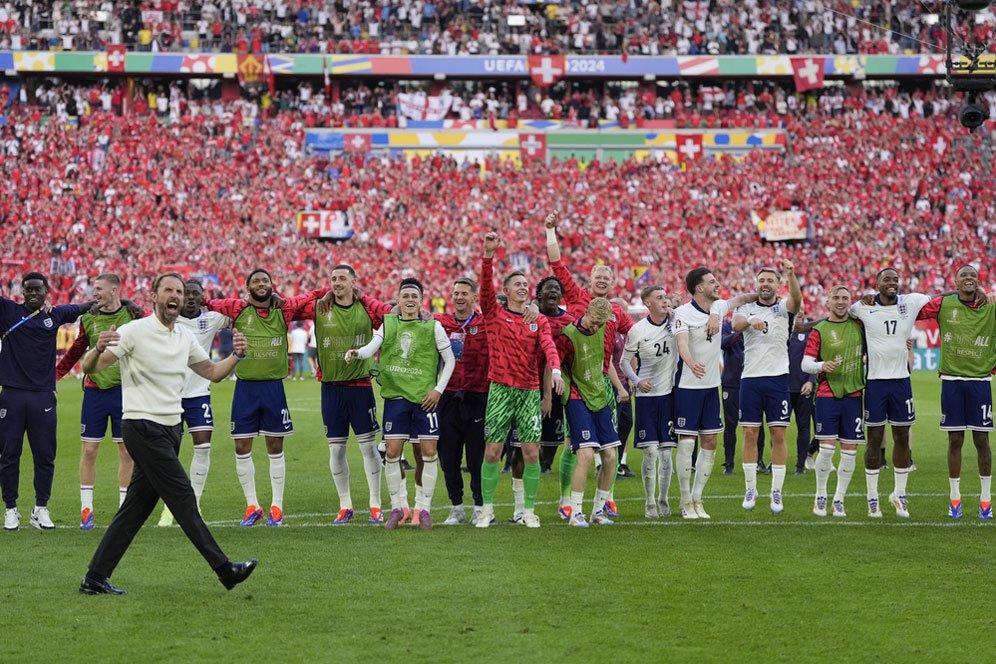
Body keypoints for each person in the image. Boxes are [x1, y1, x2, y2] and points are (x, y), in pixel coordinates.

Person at [77, 272, 256, 595]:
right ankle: (225, 569)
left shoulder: (184, 338)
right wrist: (95, 348)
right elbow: (94, 368)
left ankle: (94, 577)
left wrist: (237, 356)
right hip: (142, 427)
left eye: (180, 291)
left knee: (134, 510)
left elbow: (213, 374)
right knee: (183, 497)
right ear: (154, 297)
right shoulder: (134, 331)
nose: (176, 296)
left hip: (171, 429)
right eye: (169, 291)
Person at [205, 269, 323, 528]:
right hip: (245, 388)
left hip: (273, 388)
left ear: (272, 285)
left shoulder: (285, 310)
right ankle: (252, 505)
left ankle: (277, 507)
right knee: (241, 447)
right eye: (256, 281)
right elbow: (203, 302)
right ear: (248, 288)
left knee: (275, 447)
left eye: (265, 281)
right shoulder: (237, 308)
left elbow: (317, 296)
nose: (261, 284)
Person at [345, 278, 455, 530]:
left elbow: (449, 360)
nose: (409, 300)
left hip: (425, 399)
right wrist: (356, 353)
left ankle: (423, 510)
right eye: (405, 295)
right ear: (399, 298)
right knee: (392, 452)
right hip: (396, 398)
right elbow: (371, 347)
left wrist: (438, 390)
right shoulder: (388, 323)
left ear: (420, 300)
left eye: (414, 296)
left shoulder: (433, 326)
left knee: (428, 453)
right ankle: (398, 507)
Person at [544, 212, 633, 517]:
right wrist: (551, 231)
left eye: (607, 278)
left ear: (612, 283)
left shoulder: (617, 312)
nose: (602, 281)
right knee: (576, 446)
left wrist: (624, 380)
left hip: (601, 385)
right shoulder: (578, 297)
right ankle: (567, 502)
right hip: (572, 383)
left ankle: (597, 503)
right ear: (591, 280)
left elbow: (635, 338)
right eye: (598, 277)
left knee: (606, 452)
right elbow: (557, 264)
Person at [477, 231, 564, 529]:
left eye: (526, 285)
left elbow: (548, 345)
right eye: (517, 285)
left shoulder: (536, 319)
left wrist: (555, 370)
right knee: (492, 451)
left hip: (528, 393)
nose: (524, 288)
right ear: (506, 290)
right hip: (500, 390)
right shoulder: (493, 314)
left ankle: (528, 511)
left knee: (531, 452)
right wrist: (488, 255)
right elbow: (485, 289)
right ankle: (486, 510)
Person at [1, 273, 92, 531]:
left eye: (37, 290)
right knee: (9, 455)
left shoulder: (57, 314)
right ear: (21, 290)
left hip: (43, 395)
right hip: (12, 393)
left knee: (45, 455)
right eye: (28, 289)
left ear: (46, 291)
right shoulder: (7, 310)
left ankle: (40, 509)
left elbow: (87, 306)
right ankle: (11, 509)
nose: (33, 294)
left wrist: (126, 300)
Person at [306, 264, 392, 525]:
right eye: (333, 278)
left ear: (354, 282)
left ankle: (375, 503)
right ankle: (345, 505)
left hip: (360, 386)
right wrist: (324, 292)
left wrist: (363, 296)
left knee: (368, 447)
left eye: (342, 278)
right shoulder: (320, 307)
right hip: (331, 388)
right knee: (336, 451)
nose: (337, 282)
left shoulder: (366, 307)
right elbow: (288, 307)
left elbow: (392, 316)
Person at [55, 274, 139, 530]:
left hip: (125, 392)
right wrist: (55, 377)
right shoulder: (89, 318)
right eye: (94, 289)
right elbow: (77, 350)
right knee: (89, 450)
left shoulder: (133, 316)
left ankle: (124, 509)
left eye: (99, 289)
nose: (94, 293)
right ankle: (86, 509)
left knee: (126, 451)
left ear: (114, 290)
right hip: (94, 392)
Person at [673, 268, 756, 519]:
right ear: (699, 288)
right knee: (687, 444)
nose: (717, 283)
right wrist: (690, 363)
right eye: (711, 281)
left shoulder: (719, 306)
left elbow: (741, 299)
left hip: (711, 386)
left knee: (710, 442)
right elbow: (682, 343)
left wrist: (764, 295)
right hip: (688, 386)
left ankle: (699, 499)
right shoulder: (681, 313)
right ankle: (685, 500)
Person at [848, 268, 931, 518]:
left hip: (901, 382)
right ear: (877, 284)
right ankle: (872, 498)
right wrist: (864, 296)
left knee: (902, 438)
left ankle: (899, 494)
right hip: (875, 383)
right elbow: (841, 312)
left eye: (895, 279)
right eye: (887, 279)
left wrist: (974, 292)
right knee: (874, 440)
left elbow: (941, 298)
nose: (892, 283)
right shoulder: (862, 307)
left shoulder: (911, 302)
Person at [915, 265, 995, 519]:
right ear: (956, 281)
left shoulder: (990, 305)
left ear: (978, 280)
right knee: (955, 440)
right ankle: (955, 499)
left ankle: (985, 500)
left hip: (980, 381)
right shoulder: (943, 304)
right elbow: (913, 312)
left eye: (973, 276)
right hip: (951, 381)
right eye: (964, 276)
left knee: (982, 441)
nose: (969, 279)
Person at [157, 280, 230, 527]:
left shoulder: (212, 319)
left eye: (194, 294)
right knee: (170, 452)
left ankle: (194, 502)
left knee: (203, 446)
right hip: (171, 395)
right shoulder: (166, 318)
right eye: (185, 293)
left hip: (199, 394)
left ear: (202, 298)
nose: (189, 297)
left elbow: (242, 312)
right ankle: (169, 505)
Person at [732, 260, 802, 514]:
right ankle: (751, 489)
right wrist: (751, 320)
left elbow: (797, 299)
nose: (765, 284)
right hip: (750, 379)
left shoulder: (784, 308)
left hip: (777, 380)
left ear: (778, 285)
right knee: (750, 434)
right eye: (762, 280)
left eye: (770, 280)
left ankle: (776, 491)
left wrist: (791, 273)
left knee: (779, 435)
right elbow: (735, 325)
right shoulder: (746, 307)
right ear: (757, 284)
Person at [559, 298, 626, 527]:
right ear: (586, 311)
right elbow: (557, 367)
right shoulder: (568, 335)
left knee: (610, 456)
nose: (596, 327)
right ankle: (575, 514)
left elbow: (606, 362)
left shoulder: (606, 328)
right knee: (586, 455)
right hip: (577, 396)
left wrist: (619, 386)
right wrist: (560, 396)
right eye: (594, 321)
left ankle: (598, 512)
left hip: (599, 394)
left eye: (601, 324)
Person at [802, 286, 866, 518]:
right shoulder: (819, 329)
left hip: (854, 395)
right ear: (828, 301)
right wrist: (821, 366)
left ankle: (838, 499)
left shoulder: (859, 326)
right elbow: (806, 364)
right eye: (836, 298)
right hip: (827, 394)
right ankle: (820, 495)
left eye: (845, 298)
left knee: (849, 450)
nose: (841, 302)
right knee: (827, 449)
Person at [435, 277, 490, 526]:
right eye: (455, 292)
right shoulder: (439, 322)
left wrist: (532, 308)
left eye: (464, 293)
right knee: (448, 458)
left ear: (474, 297)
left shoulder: (486, 323)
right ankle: (456, 507)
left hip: (478, 397)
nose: (459, 297)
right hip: (448, 397)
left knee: (477, 458)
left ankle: (480, 507)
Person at [620, 285, 678, 518]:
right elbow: (624, 362)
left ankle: (664, 499)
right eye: (659, 298)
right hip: (646, 398)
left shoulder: (676, 324)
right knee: (651, 452)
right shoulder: (637, 330)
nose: (665, 301)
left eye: (665, 297)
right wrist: (636, 380)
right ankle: (649, 502)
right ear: (647, 303)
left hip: (669, 395)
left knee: (666, 453)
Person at [720, 320, 766, 475]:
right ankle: (729, 464)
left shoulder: (757, 326)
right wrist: (740, 330)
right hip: (732, 383)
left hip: (754, 381)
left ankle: (758, 462)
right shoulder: (726, 326)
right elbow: (723, 343)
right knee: (730, 424)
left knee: (757, 424)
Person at [788, 311, 817, 475]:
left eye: (802, 309)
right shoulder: (783, 332)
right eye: (796, 308)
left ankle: (800, 465)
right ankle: (776, 462)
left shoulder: (811, 334)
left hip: (804, 388)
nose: (799, 312)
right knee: (778, 428)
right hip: (784, 388)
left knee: (804, 427)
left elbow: (815, 357)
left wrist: (810, 380)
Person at [611, 297, 636, 479]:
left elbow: (632, 355)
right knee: (612, 424)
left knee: (626, 422)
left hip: (625, 383)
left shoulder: (626, 332)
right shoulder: (608, 331)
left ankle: (619, 462)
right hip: (610, 384)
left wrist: (632, 378)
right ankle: (607, 464)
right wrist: (619, 385)